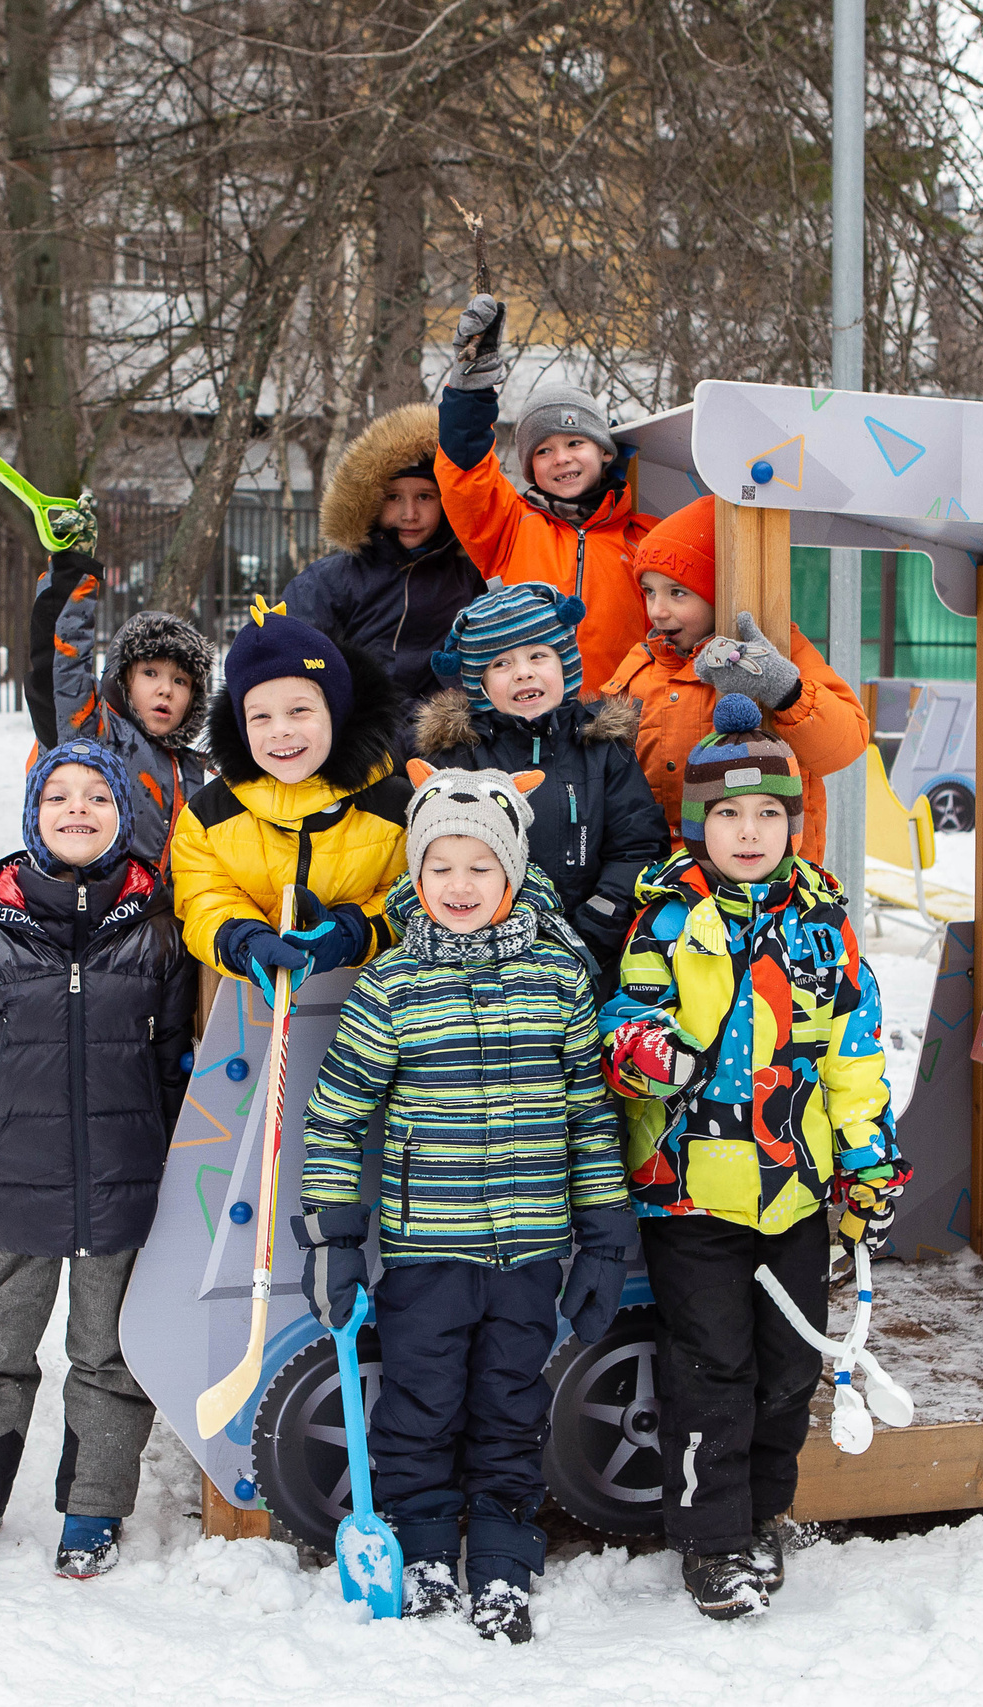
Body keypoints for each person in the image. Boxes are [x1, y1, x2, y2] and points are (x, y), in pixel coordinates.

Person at [295, 762, 635, 1643]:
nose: (458, 885)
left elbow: (590, 1120)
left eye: (479, 866)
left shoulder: (559, 982)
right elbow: (335, 1118)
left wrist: (603, 1239)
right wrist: (333, 1238)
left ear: (513, 875)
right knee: (420, 1406)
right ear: (415, 876)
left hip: (529, 1254)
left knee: (509, 1409)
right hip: (426, 1254)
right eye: (439, 866)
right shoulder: (391, 988)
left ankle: (502, 1558)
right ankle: (424, 1550)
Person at [596, 695, 910, 1621]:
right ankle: (712, 1538)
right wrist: (655, 1049)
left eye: (768, 813)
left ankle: (763, 1508)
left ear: (794, 821)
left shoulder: (823, 921)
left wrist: (868, 1165)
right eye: (728, 814)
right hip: (692, 1193)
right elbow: (625, 1019)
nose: (748, 830)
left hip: (793, 1192)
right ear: (699, 823)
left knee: (789, 1369)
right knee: (712, 1368)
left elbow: (854, 1055)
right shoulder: (668, 913)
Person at [0, 737, 199, 1579]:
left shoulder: (158, 937)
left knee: (109, 1351)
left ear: (124, 814)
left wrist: (177, 1177)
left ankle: (95, 1505)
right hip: (15, 1186)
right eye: (58, 796)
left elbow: (173, 1066)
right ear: (33, 816)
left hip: (124, 1183)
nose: (78, 808)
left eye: (97, 797)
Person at [414, 583, 667, 980]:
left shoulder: (603, 749)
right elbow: (429, 857)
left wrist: (592, 929)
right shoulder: (457, 758)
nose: (523, 672)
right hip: (479, 959)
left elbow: (637, 849)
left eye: (538, 655)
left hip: (588, 954)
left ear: (564, 663)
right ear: (479, 685)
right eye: (500, 664)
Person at [599, 493, 870, 852]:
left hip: (766, 877)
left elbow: (845, 744)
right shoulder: (641, 664)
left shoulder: (777, 649)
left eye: (678, 593)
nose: (657, 611)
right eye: (649, 592)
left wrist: (785, 689)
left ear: (719, 592)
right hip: (663, 876)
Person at [167, 600, 411, 986]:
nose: (279, 730)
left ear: (337, 711)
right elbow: (203, 899)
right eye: (260, 716)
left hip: (373, 1007)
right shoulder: (207, 817)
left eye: (299, 710)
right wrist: (245, 940)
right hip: (247, 1010)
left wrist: (353, 932)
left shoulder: (396, 808)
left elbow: (411, 897)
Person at [434, 294, 654, 687]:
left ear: (604, 451)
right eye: (544, 450)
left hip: (623, 729)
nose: (561, 459)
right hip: (530, 726)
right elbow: (465, 469)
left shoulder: (646, 539)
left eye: (575, 443)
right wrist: (470, 389)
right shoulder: (508, 526)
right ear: (531, 467)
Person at [284, 403, 487, 722]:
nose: (409, 513)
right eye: (394, 497)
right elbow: (287, 647)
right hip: (357, 730)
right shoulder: (333, 578)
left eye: (425, 497)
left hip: (444, 734)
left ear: (447, 502)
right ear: (371, 501)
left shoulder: (471, 577)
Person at [25, 550, 214, 867]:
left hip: (161, 913)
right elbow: (62, 674)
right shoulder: (96, 736)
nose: (165, 689)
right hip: (98, 906)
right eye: (150, 673)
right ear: (122, 679)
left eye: (180, 681)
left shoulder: (191, 767)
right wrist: (74, 575)